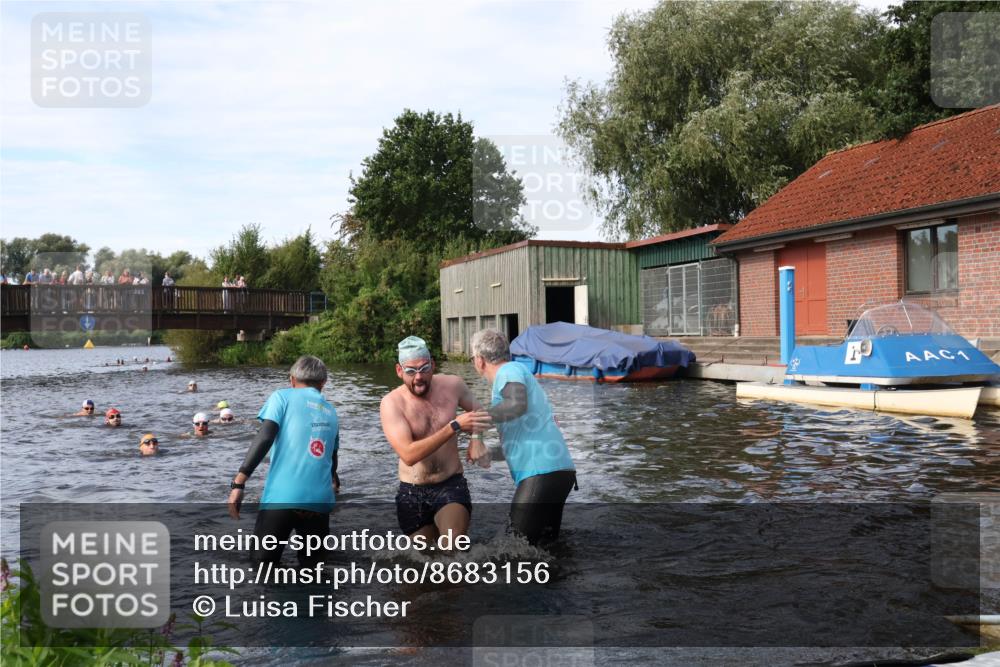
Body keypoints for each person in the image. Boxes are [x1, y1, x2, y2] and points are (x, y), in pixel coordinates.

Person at [228, 355, 340, 566]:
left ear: (291, 379)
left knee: (262, 568)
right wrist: (333, 482)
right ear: (323, 382)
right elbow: (332, 461)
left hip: (282, 498)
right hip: (319, 502)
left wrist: (239, 482)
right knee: (313, 572)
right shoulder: (332, 412)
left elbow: (265, 437)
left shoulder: (282, 397)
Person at [379, 336, 491, 545]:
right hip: (412, 490)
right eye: (411, 371)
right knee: (424, 559)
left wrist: (477, 438)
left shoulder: (453, 385)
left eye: (424, 368)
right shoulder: (391, 403)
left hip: (450, 483)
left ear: (433, 365)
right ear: (399, 371)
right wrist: (454, 426)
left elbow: (480, 413)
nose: (419, 377)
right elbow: (409, 455)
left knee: (453, 545)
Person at [470, 329, 576, 545]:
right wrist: (491, 453)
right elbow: (522, 438)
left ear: (479, 361)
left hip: (541, 473)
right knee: (546, 548)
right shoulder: (514, 375)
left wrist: (477, 423)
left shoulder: (508, 371)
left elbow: (517, 405)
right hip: (558, 472)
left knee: (513, 549)